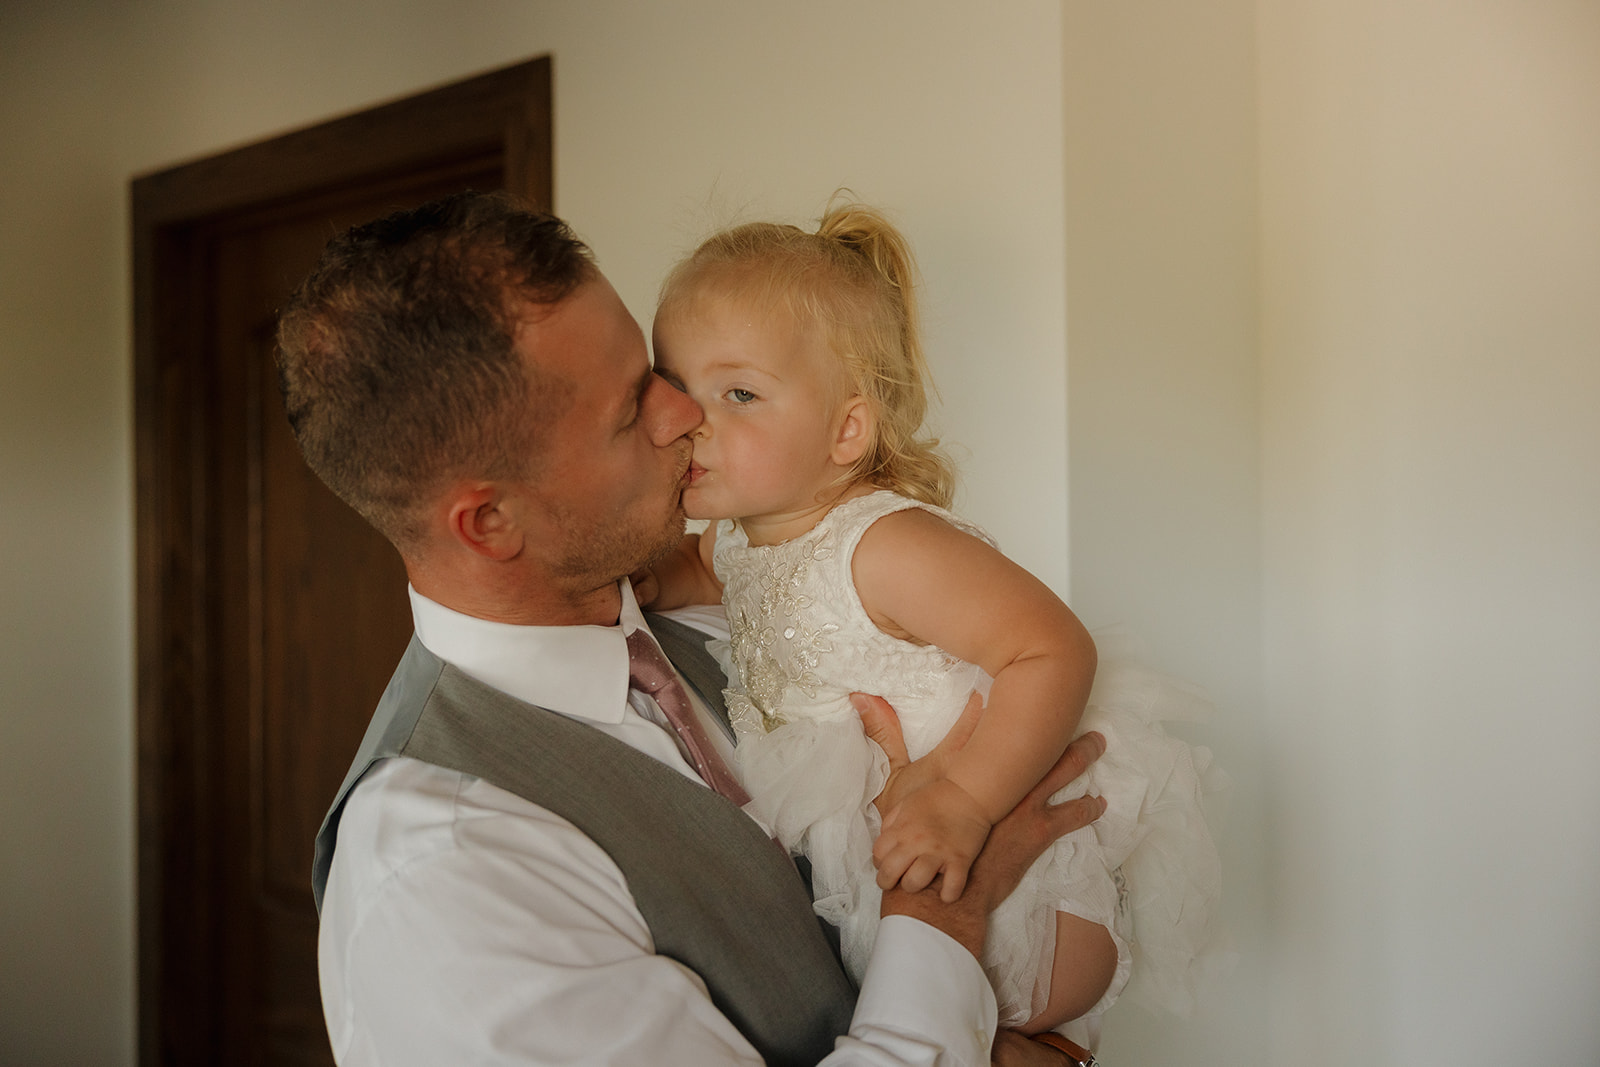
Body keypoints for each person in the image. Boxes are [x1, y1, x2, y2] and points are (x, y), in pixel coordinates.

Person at [277, 190, 1109, 1067]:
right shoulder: (444, 866)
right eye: (633, 408)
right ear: (490, 524)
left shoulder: (729, 606)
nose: (685, 417)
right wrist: (940, 917)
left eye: (658, 376)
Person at [641, 203, 1226, 1055]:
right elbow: (713, 575)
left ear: (847, 430)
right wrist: (652, 573)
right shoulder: (740, 532)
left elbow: (1052, 646)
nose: (695, 421)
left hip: (1005, 879)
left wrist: (961, 799)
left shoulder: (885, 543)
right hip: (884, 872)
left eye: (739, 394)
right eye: (678, 387)